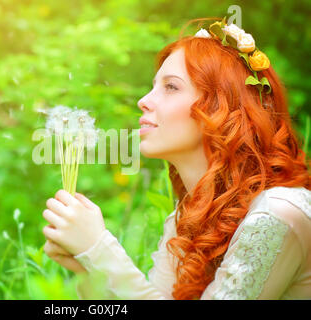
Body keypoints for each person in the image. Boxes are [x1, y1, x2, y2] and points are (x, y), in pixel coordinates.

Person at [41, 17, 311, 300]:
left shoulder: (278, 214)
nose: (143, 100)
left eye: (171, 87)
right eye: (154, 85)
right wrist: (88, 268)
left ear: (223, 108)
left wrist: (99, 249)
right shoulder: (186, 219)